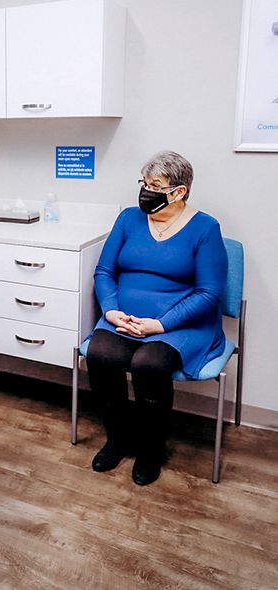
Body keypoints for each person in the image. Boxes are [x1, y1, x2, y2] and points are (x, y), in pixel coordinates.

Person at [87, 150, 227, 486]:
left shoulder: (205, 229)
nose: (145, 192)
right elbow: (105, 270)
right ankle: (117, 439)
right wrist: (110, 309)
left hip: (179, 323)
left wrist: (161, 324)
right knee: (101, 355)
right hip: (124, 316)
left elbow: (210, 293)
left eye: (155, 185)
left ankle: (151, 450)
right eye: (144, 183)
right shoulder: (128, 219)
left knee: (149, 364)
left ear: (179, 192)